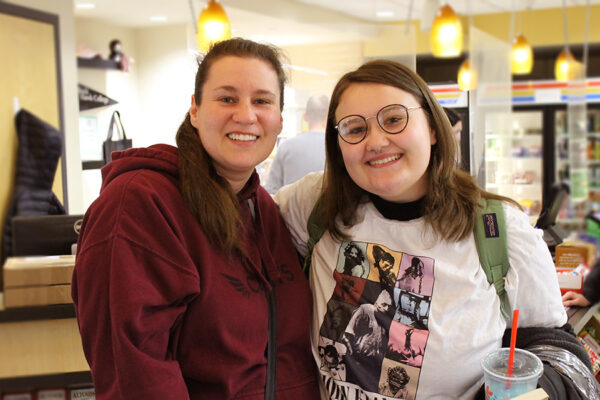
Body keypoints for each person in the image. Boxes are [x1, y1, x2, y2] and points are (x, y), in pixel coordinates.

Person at [275, 60, 594, 399]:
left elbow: (557, 347)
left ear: (431, 127)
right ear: (338, 147)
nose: (376, 141)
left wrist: (543, 389)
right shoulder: (315, 204)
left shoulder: (499, 229)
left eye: (394, 119)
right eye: (355, 129)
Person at [71, 38, 319, 400]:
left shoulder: (263, 209)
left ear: (281, 119)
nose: (246, 115)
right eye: (227, 98)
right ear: (195, 110)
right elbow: (136, 375)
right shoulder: (141, 203)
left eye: (262, 101)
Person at [264, 94, 329, 194]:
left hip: (288, 209)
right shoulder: (338, 148)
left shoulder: (286, 147)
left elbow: (271, 191)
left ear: (305, 117)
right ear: (329, 117)